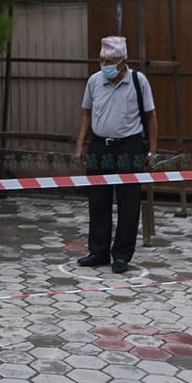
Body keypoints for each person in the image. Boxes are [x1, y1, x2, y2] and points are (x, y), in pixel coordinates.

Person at [74, 36, 158, 274]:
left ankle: (121, 255)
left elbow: (151, 116)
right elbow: (87, 114)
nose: (105, 65)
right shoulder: (94, 81)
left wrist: (152, 150)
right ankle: (98, 251)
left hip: (129, 148)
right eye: (102, 60)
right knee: (98, 201)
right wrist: (81, 143)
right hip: (100, 147)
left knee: (128, 203)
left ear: (123, 61)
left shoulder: (138, 81)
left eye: (110, 61)